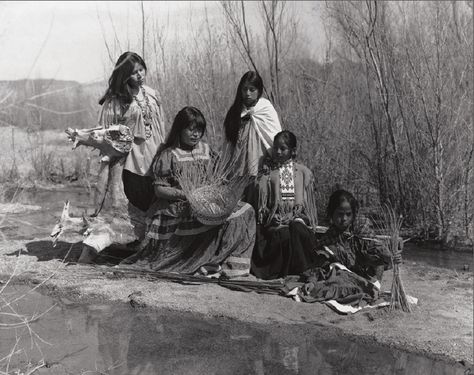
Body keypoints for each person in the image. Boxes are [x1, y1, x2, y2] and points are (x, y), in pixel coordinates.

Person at [121, 106, 256, 277]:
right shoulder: (169, 155)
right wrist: (185, 194)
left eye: (199, 130)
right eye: (191, 129)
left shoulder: (206, 151)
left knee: (246, 211)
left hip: (207, 205)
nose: (196, 134)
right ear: (180, 129)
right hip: (180, 209)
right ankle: (206, 262)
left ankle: (230, 264)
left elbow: (220, 179)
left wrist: (219, 193)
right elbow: (159, 190)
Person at [297, 189, 395, 304]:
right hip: (349, 274)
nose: (344, 219)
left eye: (348, 214)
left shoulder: (361, 229)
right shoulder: (329, 239)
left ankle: (374, 286)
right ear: (331, 214)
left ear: (353, 214)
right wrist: (312, 281)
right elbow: (319, 264)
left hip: (369, 272)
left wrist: (390, 255)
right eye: (340, 214)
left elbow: (379, 254)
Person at [98, 51, 166, 212]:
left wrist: (165, 147)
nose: (139, 75)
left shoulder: (152, 94)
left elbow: (161, 123)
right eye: (134, 72)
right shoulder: (116, 100)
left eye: (141, 69)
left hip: (154, 151)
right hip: (130, 158)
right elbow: (107, 132)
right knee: (136, 200)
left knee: (155, 197)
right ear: (125, 75)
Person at [251, 130, 319, 279]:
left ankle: (306, 270)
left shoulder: (303, 173)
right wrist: (272, 217)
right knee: (283, 234)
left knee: (296, 228)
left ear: (293, 151)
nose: (278, 151)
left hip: (297, 221)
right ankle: (293, 272)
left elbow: (308, 211)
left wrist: (296, 216)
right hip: (277, 223)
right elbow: (263, 209)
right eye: (275, 148)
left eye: (283, 148)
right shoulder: (267, 176)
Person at [221, 71, 282, 206]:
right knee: (238, 207)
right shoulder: (234, 112)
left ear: (259, 90)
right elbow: (227, 144)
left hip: (261, 167)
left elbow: (275, 139)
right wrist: (224, 169)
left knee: (260, 204)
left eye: (252, 89)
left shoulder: (266, 109)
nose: (247, 93)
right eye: (244, 89)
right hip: (238, 169)